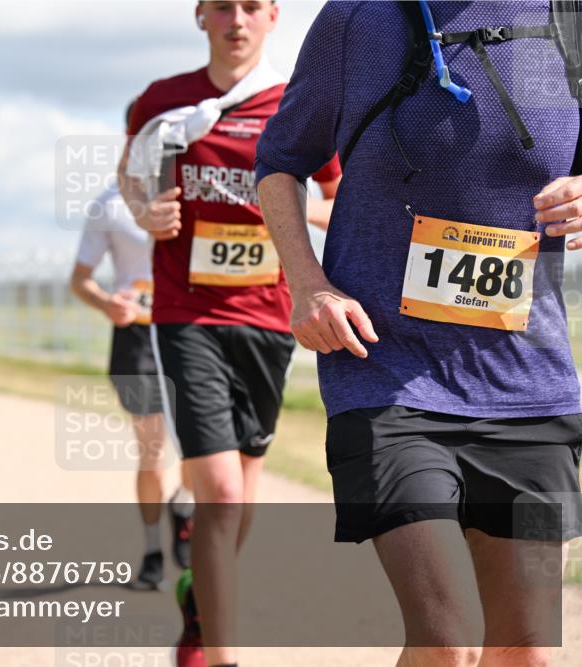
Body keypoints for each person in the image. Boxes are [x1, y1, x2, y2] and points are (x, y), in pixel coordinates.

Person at [256, 1, 582, 665]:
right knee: (449, 640)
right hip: (386, 373)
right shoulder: (356, 18)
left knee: (527, 651)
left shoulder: (567, 16)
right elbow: (280, 160)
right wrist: (309, 283)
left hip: (529, 385)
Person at [117, 1, 340, 664]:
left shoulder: (296, 102)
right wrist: (145, 212)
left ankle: (198, 604)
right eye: (221, 6)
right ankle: (223, 653)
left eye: (251, 6)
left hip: (269, 316)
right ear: (200, 17)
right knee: (220, 490)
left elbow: (335, 194)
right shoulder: (162, 102)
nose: (235, 19)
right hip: (187, 313)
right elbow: (129, 182)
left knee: (243, 493)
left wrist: (289, 205)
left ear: (273, 17)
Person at [71, 101, 197, 592]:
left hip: (191, 329)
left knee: (197, 449)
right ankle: (150, 551)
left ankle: (183, 505)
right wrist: (107, 304)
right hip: (138, 334)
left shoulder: (194, 192)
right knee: (152, 449)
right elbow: (79, 280)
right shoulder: (108, 204)